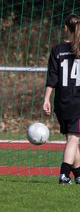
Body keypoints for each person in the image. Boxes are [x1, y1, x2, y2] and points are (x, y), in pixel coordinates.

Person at [43, 14, 80, 184]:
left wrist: (46, 99)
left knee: (72, 137)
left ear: (65, 28)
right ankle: (64, 174)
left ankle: (78, 175)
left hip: (61, 102)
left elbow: (52, 77)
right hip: (78, 102)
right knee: (74, 138)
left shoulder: (57, 50)